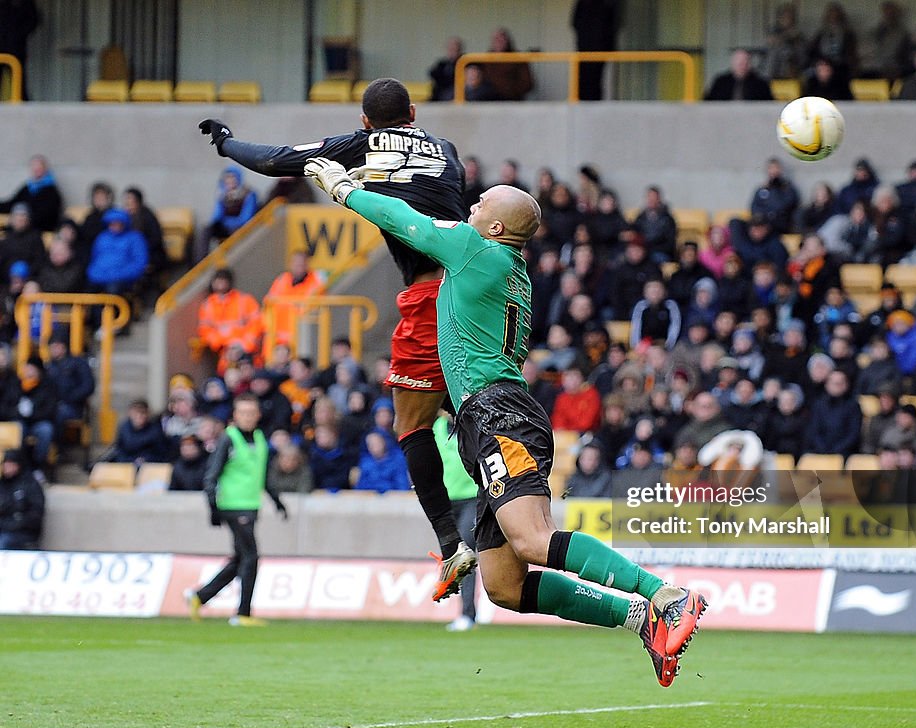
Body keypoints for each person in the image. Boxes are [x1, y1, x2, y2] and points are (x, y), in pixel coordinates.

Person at [306, 161, 707, 686]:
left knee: (535, 539)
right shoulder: (499, 264)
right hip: (488, 416)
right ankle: (637, 618)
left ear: (495, 227)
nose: (470, 208)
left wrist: (345, 190)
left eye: (480, 204)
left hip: (500, 415)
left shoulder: (478, 251)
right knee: (504, 586)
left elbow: (410, 223)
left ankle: (666, 595)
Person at [199, 78, 476, 600]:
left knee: (411, 423)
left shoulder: (363, 144)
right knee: (465, 405)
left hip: (430, 293)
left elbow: (279, 159)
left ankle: (450, 543)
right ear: (414, 111)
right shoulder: (446, 150)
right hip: (477, 288)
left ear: (367, 120)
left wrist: (228, 142)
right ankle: (505, 499)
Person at [187, 394, 288, 626]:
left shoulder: (261, 439)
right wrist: (213, 506)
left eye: (251, 413)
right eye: (243, 413)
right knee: (251, 556)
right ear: (235, 415)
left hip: (251, 505)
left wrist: (276, 500)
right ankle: (243, 614)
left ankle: (200, 597)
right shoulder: (228, 439)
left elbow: (261, 475)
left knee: (241, 558)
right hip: (233, 506)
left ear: (258, 415)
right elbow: (212, 475)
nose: (248, 417)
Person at [433, 414, 480, 631]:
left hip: (472, 496)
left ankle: (467, 614)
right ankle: (465, 612)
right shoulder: (438, 427)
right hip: (446, 499)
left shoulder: (472, 424)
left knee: (465, 552)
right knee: (455, 554)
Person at [197, 269, 263, 375]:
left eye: (223, 281)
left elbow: (257, 323)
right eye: (218, 281)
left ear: (229, 282)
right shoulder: (208, 304)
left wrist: (244, 344)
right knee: (226, 378)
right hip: (225, 352)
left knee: (251, 376)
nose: (220, 285)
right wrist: (222, 344)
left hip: (246, 351)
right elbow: (205, 330)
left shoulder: (244, 300)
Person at [193, 166, 259, 263]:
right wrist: (223, 199)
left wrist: (229, 222)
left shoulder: (248, 194)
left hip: (240, 228)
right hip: (225, 227)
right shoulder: (222, 195)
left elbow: (246, 218)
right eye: (227, 178)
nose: (230, 181)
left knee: (236, 232)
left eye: (233, 177)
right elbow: (216, 216)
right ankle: (200, 261)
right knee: (207, 229)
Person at [264, 250, 325, 348]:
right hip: (276, 336)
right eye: (295, 263)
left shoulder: (316, 282)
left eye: (301, 264)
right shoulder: (282, 279)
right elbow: (268, 302)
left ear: (307, 264)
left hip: (300, 337)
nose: (298, 267)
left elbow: (313, 308)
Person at [87, 208, 149, 299]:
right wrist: (94, 273)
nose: (114, 226)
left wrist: (118, 275)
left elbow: (139, 263)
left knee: (113, 290)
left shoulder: (135, 238)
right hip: (99, 276)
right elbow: (95, 259)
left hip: (123, 278)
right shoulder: (102, 237)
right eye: (111, 223)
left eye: (117, 223)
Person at [571, 0, 621, 100]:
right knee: (590, 80)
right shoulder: (605, 4)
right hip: (591, 49)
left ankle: (590, 104)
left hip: (593, 49)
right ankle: (589, 104)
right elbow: (575, 23)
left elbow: (575, 23)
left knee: (591, 80)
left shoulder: (607, 4)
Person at [0, 154, 62, 231]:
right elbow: (12, 204)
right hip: (22, 227)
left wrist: (22, 220)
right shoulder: (27, 188)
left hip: (40, 229)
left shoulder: (52, 192)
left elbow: (46, 215)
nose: (36, 169)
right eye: (34, 167)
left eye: (39, 167)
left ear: (45, 169)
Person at [0, 448, 44, 550]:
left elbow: (36, 514)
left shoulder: (31, 485)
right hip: (3, 528)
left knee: (4, 542)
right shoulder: (2, 484)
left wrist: (15, 523)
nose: (6, 467)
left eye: (10, 463)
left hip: (23, 532)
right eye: (5, 464)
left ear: (18, 464)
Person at [479, 27, 534, 101]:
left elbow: (528, 83)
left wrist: (510, 91)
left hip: (511, 101)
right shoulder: (485, 58)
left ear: (507, 41)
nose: (498, 42)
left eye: (501, 39)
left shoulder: (517, 58)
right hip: (489, 101)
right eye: (495, 39)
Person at [0, 0, 39, 99]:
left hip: (16, 48)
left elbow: (33, 19)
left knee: (19, 82)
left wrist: (18, 35)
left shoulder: (22, 2)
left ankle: (23, 111)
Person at [704, 48, 772, 101]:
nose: (742, 66)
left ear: (749, 64)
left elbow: (769, 105)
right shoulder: (720, 82)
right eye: (739, 63)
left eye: (745, 63)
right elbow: (707, 103)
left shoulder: (761, 84)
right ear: (732, 63)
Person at [428, 36, 463, 101]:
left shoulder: (465, 62)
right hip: (439, 96)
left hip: (454, 95)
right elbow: (432, 74)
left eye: (454, 47)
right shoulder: (442, 64)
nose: (452, 50)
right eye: (450, 48)